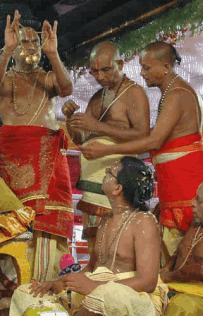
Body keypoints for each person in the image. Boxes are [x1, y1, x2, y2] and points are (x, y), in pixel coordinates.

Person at [81, 41, 203, 259]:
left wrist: (105, 151)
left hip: (184, 188)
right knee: (173, 255)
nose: (142, 73)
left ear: (166, 67)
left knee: (184, 256)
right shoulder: (171, 92)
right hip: (174, 187)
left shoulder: (176, 94)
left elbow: (153, 141)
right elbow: (152, 137)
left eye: (147, 68)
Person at [10, 157, 168, 316]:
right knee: (25, 293)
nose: (104, 175)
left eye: (109, 173)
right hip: (97, 290)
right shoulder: (106, 220)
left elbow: (148, 281)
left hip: (129, 297)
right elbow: (92, 268)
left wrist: (95, 287)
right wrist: (59, 284)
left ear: (117, 188)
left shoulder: (144, 222)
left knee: (106, 298)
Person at [0, 9, 74, 282]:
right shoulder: (6, 78)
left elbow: (67, 88)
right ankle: (13, 284)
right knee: (15, 223)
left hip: (50, 164)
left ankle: (47, 283)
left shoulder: (45, 78)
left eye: (34, 42)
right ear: (13, 47)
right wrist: (6, 50)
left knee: (48, 226)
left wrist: (53, 54)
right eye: (23, 42)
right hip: (16, 161)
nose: (30, 47)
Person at [62, 42, 150, 253]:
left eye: (106, 70)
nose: (99, 76)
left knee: (116, 248)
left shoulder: (134, 93)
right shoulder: (97, 97)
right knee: (95, 249)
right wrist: (70, 121)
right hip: (91, 189)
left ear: (120, 64)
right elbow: (82, 140)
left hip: (117, 186)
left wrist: (98, 126)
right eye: (94, 71)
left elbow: (143, 135)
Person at [160, 182, 203, 315]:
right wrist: (166, 268)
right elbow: (179, 252)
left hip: (197, 295)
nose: (193, 203)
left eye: (199, 200)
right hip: (175, 285)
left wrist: (169, 276)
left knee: (182, 306)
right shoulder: (197, 223)